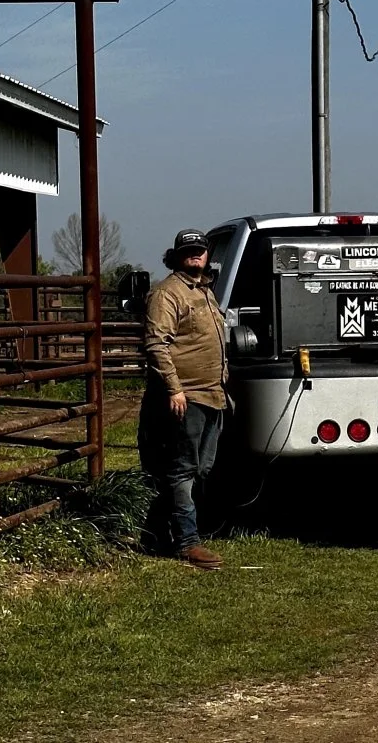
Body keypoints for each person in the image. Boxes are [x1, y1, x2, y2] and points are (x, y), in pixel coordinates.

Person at [138, 227, 228, 569]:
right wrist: (174, 388)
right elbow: (156, 344)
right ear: (176, 256)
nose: (195, 254)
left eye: (200, 249)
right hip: (186, 395)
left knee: (201, 468)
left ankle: (159, 532)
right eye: (188, 250)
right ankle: (186, 541)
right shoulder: (168, 294)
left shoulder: (204, 292)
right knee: (183, 469)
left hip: (212, 394)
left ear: (207, 255)